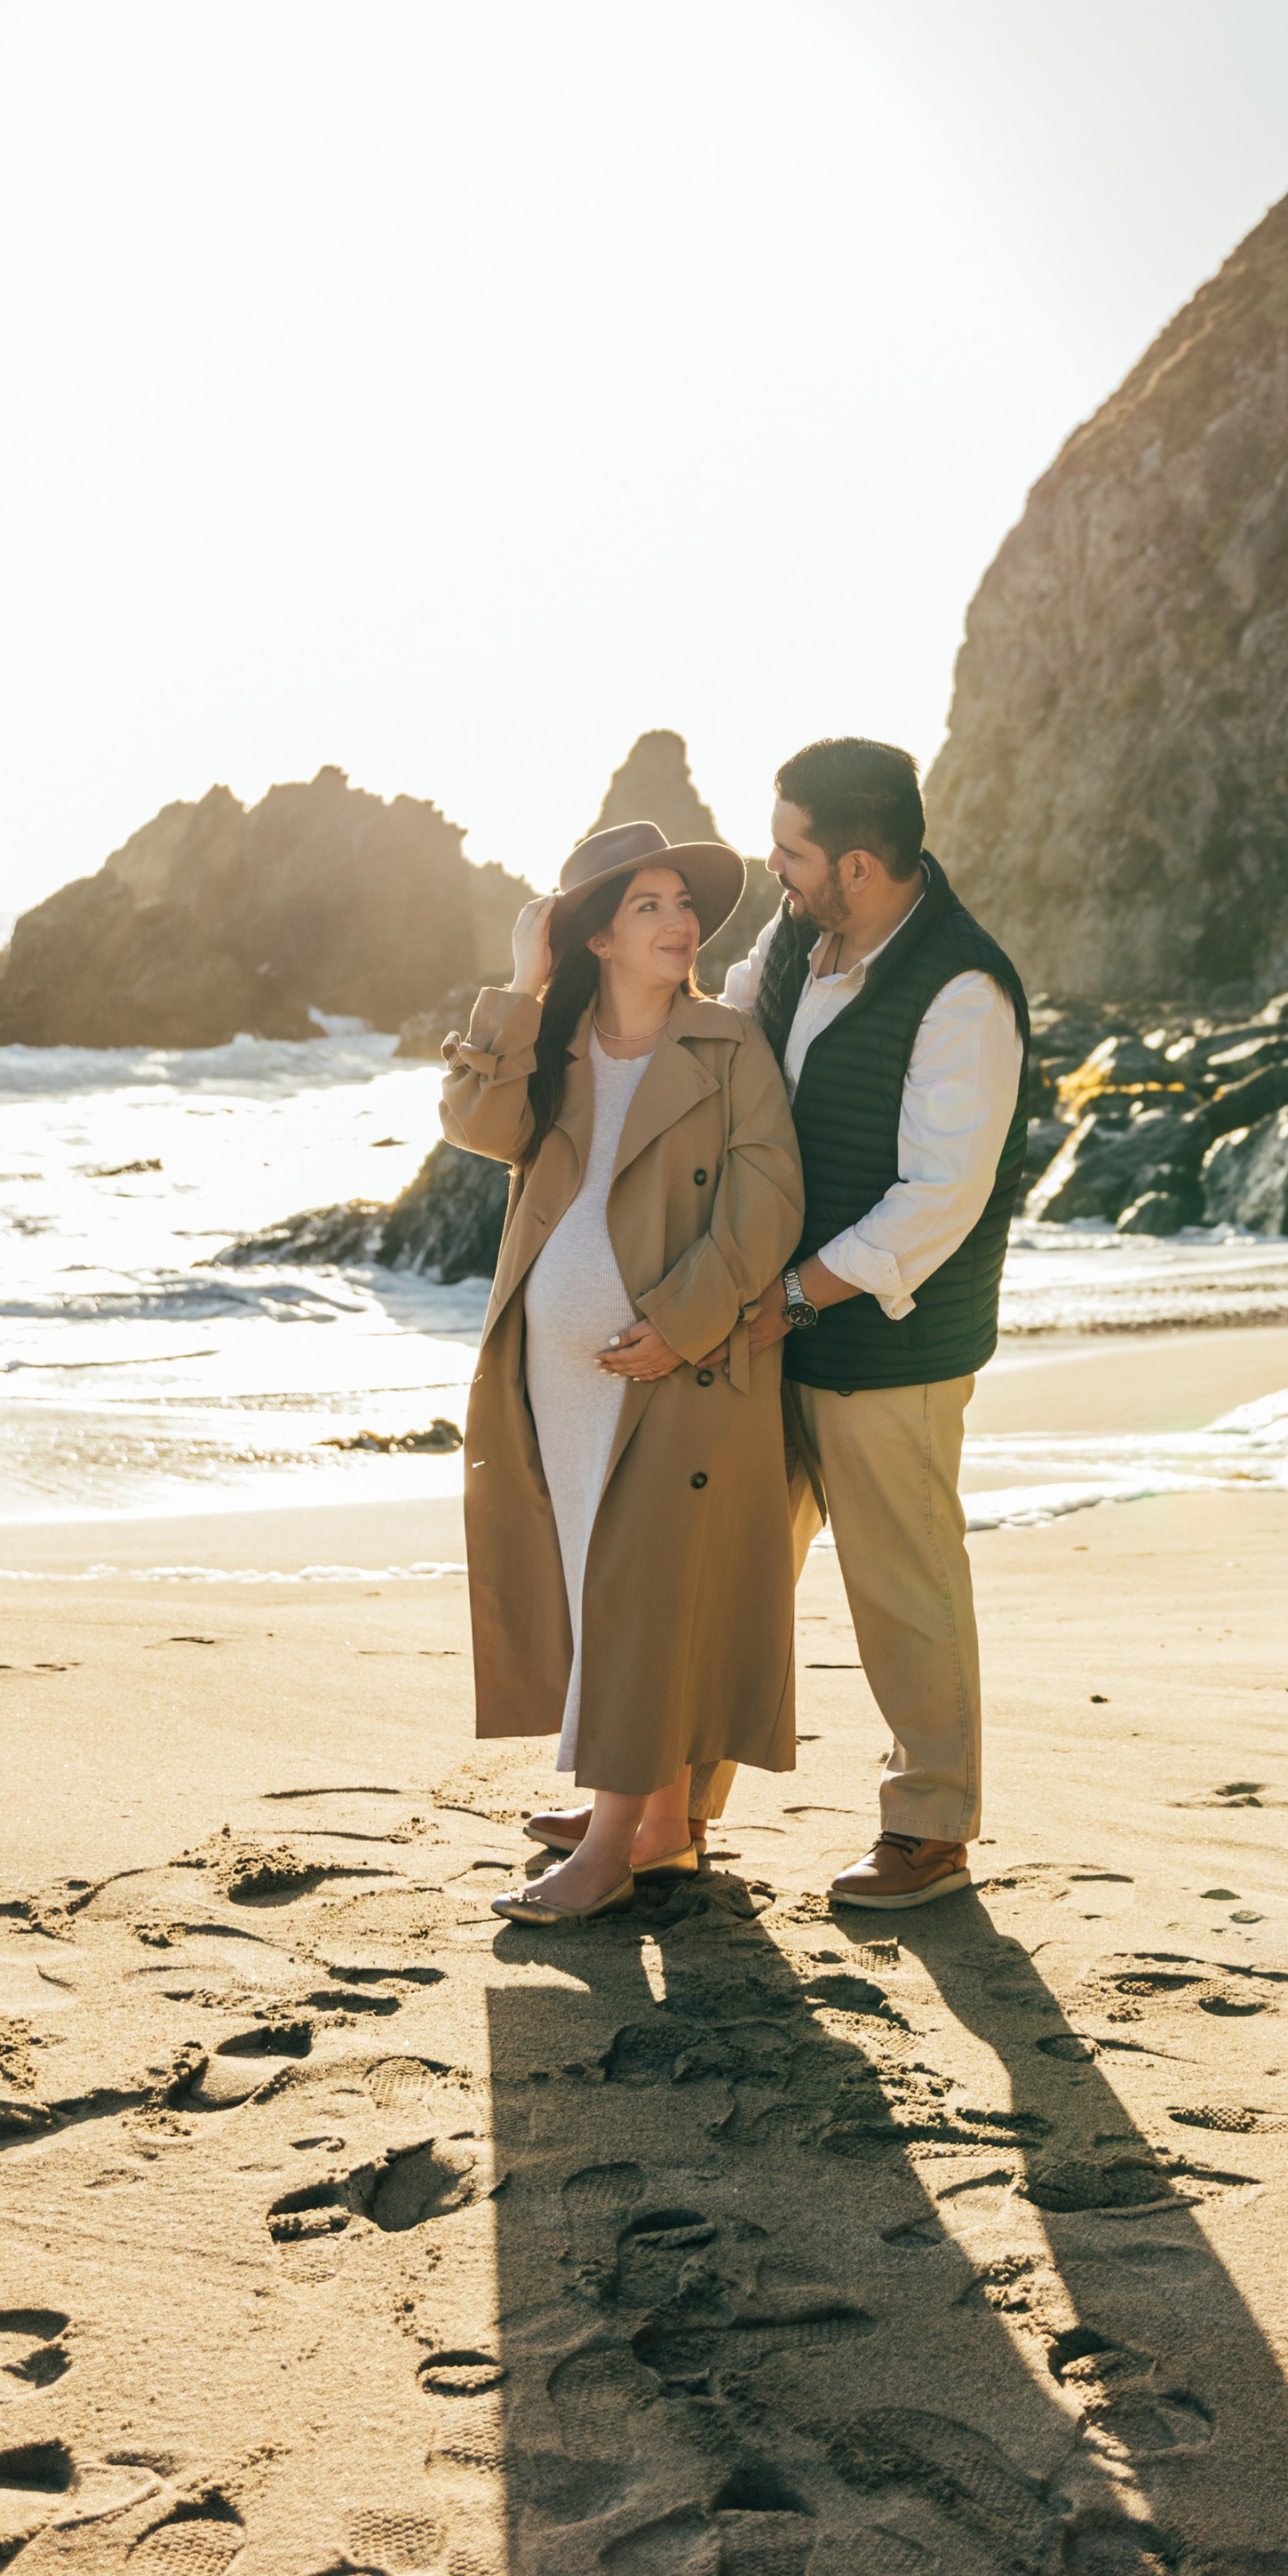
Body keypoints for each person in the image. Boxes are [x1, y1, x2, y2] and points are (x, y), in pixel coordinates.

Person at [438, 820, 804, 1922]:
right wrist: (521, 984)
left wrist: (683, 1325)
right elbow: (474, 1122)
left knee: (640, 1588)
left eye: (684, 904)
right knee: (602, 1579)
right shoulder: (552, 1048)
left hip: (680, 1369)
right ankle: (656, 1823)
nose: (679, 922)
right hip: (558, 1376)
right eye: (648, 905)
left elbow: (767, 1201)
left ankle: (606, 1849)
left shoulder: (729, 1046)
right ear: (595, 937)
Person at [714, 733, 1030, 1911]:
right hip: (769, 1321)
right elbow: (725, 1039)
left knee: (903, 1586)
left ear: (855, 864)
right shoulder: (792, 939)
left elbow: (937, 1198)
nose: (774, 869)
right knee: (731, 1567)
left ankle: (930, 1829)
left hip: (890, 1343)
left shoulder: (962, 991)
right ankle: (668, 1811)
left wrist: (795, 1295)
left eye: (790, 851)